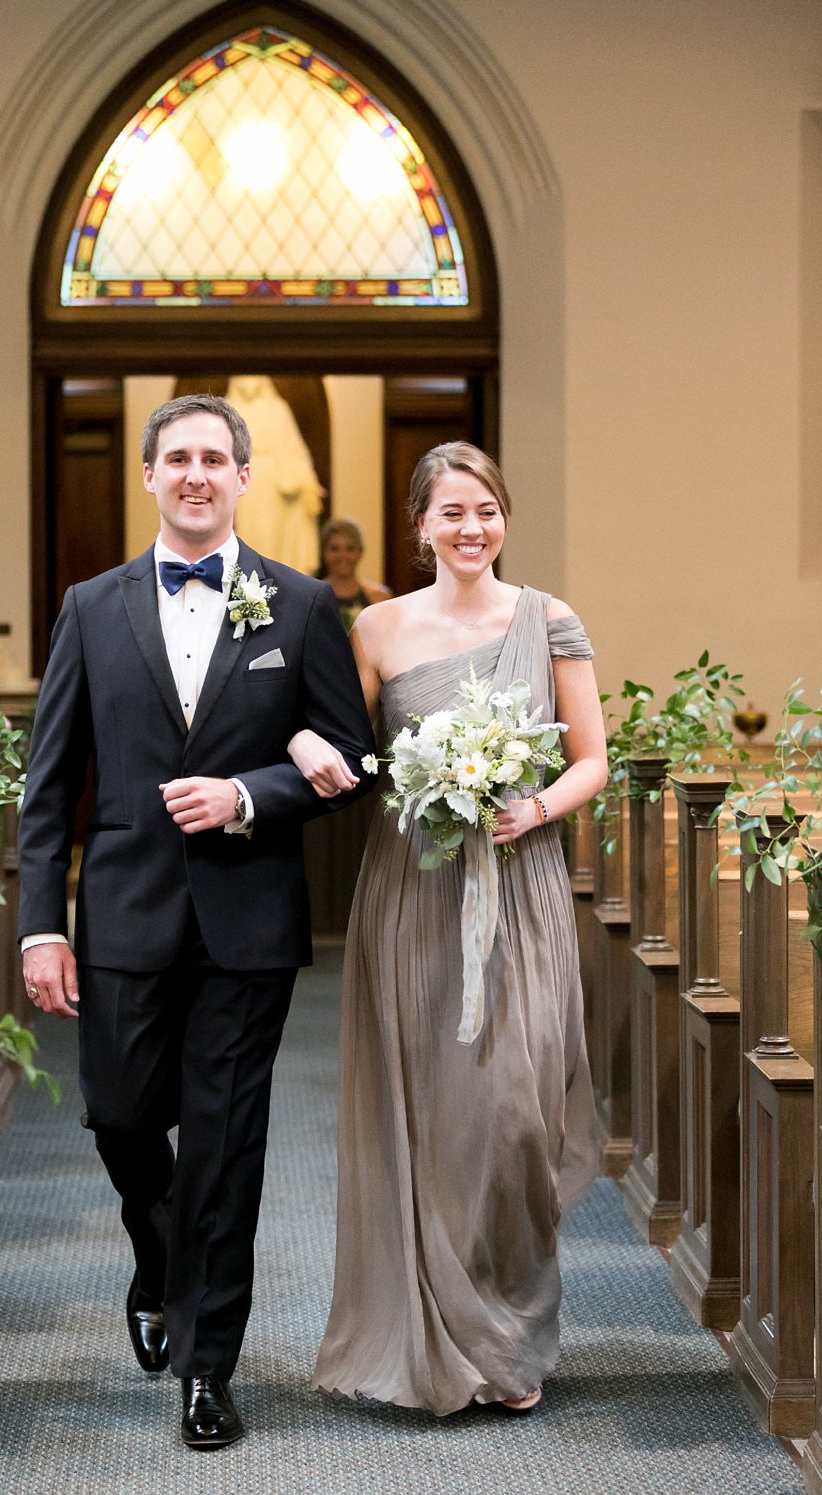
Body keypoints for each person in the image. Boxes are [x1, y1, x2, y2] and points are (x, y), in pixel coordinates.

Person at [16, 392, 376, 1451]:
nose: (193, 475)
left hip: (247, 923)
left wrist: (251, 794)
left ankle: (204, 1366)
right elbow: (48, 784)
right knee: (121, 1118)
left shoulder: (300, 605)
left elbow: (346, 762)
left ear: (239, 476)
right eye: (175, 458)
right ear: (147, 476)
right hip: (120, 912)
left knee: (224, 1147)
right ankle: (155, 1252)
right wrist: (42, 923)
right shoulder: (89, 606)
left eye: (213, 459)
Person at [294, 443, 607, 1415]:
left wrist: (534, 808)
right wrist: (310, 746)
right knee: (428, 1110)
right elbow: (348, 752)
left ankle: (508, 1332)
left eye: (485, 510)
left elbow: (589, 756)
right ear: (418, 525)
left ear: (501, 518)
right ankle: (434, 1338)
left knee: (514, 1113)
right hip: (413, 892)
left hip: (520, 885)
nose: (470, 528)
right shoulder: (376, 629)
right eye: (450, 512)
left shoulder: (548, 619)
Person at [315, 516, 393, 632]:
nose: (342, 556)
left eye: (349, 549)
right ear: (323, 552)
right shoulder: (311, 599)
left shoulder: (380, 598)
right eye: (334, 548)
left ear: (360, 552)